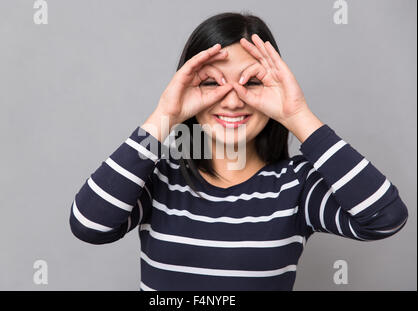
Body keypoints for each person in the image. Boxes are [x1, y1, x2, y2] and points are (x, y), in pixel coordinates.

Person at [69, 12, 409, 291]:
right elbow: (89, 225)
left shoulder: (296, 186)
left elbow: (384, 219)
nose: (232, 100)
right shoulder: (159, 179)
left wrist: (297, 115)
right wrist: (164, 116)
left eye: (252, 82)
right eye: (212, 83)